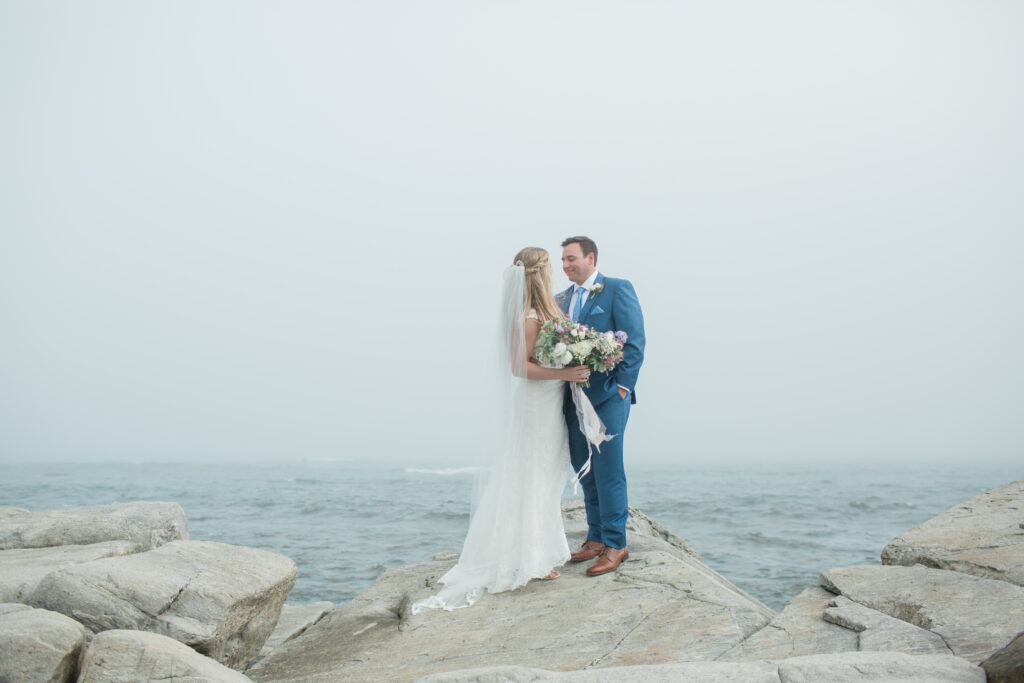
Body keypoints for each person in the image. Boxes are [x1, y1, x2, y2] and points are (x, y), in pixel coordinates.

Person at [412, 247, 591, 612]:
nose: (556, 273)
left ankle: (540, 549)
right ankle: (530, 558)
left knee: (546, 473)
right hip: (535, 404)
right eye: (549, 268)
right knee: (532, 473)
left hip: (549, 403)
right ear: (539, 273)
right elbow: (518, 367)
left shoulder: (546, 312)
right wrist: (565, 373)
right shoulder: (528, 316)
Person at [559, 236, 645, 576]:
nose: (565, 266)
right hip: (572, 399)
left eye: (571, 259)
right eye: (563, 260)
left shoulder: (617, 289)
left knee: (609, 470)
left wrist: (622, 388)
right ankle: (594, 538)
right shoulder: (561, 299)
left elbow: (634, 342)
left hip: (608, 398)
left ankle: (615, 544)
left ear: (590, 258)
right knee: (584, 468)